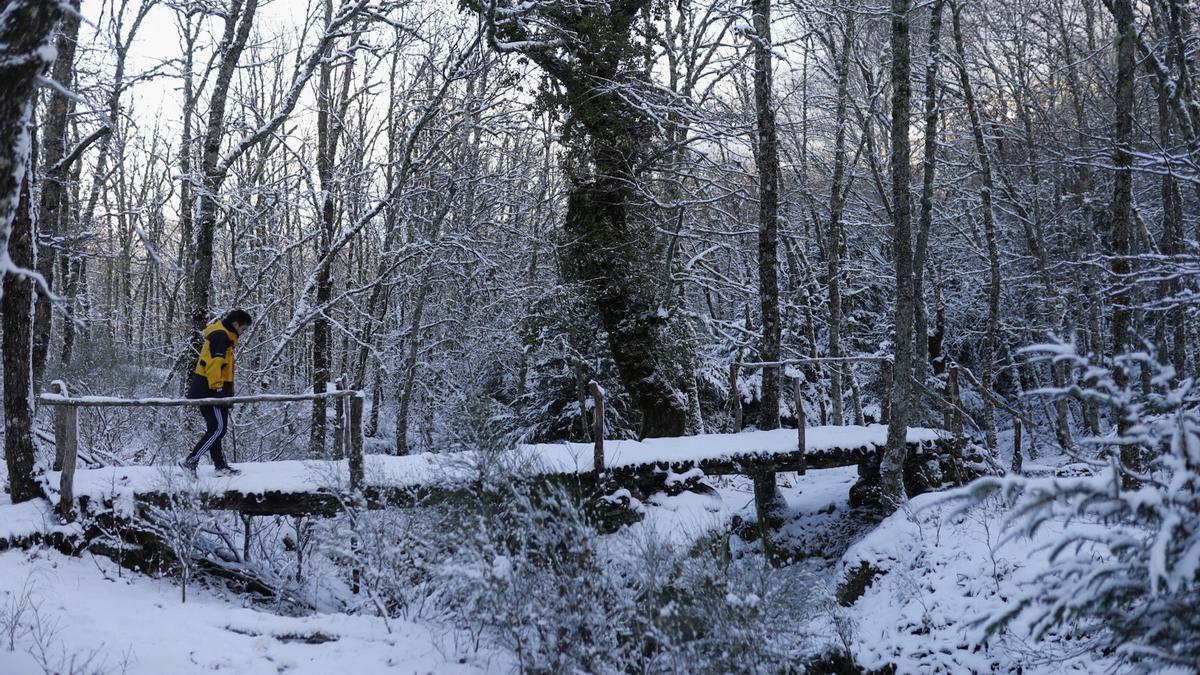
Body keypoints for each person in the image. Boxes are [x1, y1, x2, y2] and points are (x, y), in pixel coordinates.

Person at [180, 309, 253, 477]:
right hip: (211, 390)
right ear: (235, 324)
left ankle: (220, 465)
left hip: (212, 389)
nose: (243, 333)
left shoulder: (223, 335)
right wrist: (219, 389)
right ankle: (190, 462)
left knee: (215, 428)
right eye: (243, 329)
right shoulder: (221, 336)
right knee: (219, 429)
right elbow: (214, 365)